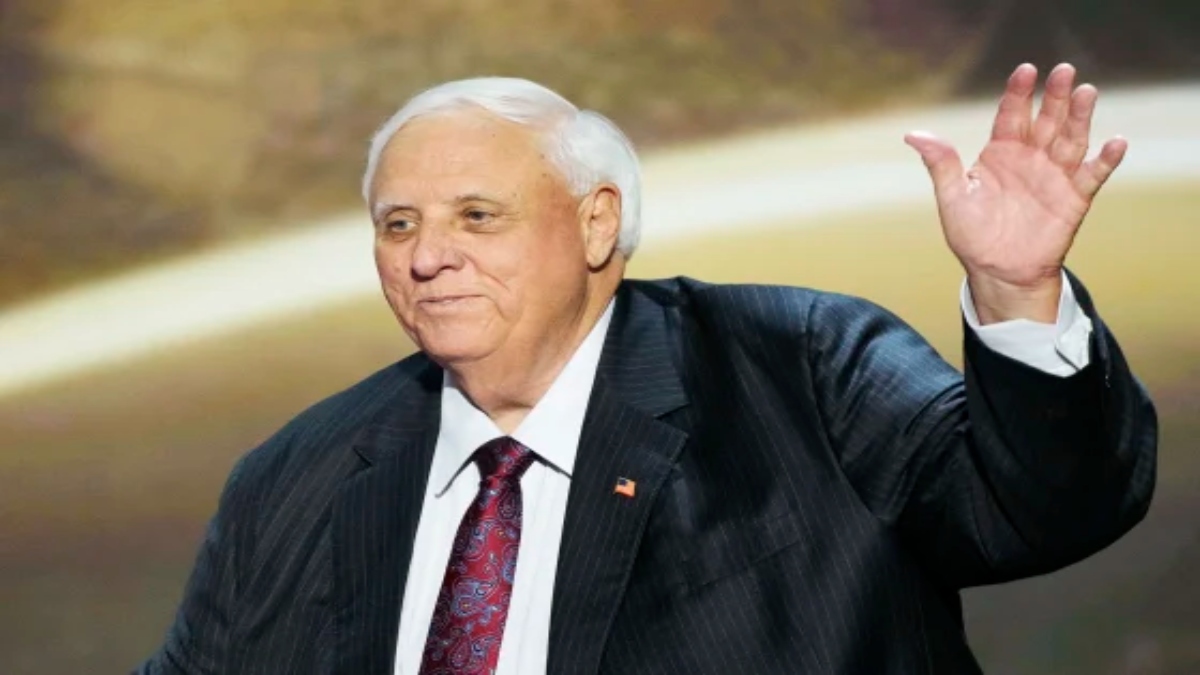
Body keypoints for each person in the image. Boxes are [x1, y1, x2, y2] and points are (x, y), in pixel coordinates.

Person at [135, 62, 1156, 674]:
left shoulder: (796, 366)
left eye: (476, 216)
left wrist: (1018, 294)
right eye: (398, 223)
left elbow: (1037, 508)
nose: (426, 254)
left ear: (597, 222)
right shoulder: (297, 477)